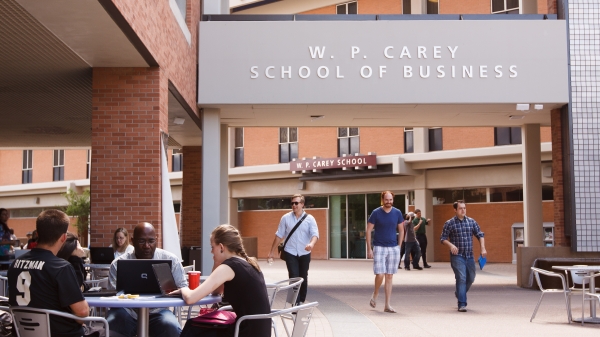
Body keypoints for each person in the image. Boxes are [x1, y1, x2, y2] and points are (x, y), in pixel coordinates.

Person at [174, 224, 271, 337]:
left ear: (221, 247)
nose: (211, 252)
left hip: (245, 332)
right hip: (257, 331)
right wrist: (217, 261)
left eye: (212, 247)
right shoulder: (247, 263)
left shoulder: (229, 267)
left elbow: (191, 298)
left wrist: (183, 289)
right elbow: (216, 291)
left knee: (193, 327)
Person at [7, 209, 91, 337]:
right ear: (63, 237)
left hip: (22, 333)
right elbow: (82, 313)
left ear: (38, 233)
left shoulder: (15, 264)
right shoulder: (60, 267)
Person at [107, 222, 187, 337]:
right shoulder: (118, 264)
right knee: (113, 324)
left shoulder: (170, 260)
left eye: (151, 241)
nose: (146, 246)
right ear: (133, 241)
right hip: (127, 312)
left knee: (170, 326)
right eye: (141, 241)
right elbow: (113, 295)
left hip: (159, 311)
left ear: (156, 239)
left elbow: (183, 287)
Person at [267, 194, 319, 305]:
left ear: (302, 204)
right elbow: (279, 235)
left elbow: (315, 234)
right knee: (293, 276)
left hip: (305, 252)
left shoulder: (310, 219)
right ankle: (295, 302)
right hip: (290, 252)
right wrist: (271, 251)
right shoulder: (285, 218)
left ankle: (301, 300)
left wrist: (311, 244)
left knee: (303, 276)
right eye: (292, 203)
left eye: (296, 203)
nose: (294, 205)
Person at [440, 200, 487, 312]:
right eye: (460, 208)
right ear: (455, 210)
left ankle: (459, 293)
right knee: (461, 277)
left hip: (469, 255)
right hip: (457, 256)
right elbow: (443, 239)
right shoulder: (449, 223)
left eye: (464, 208)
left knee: (471, 277)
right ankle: (462, 304)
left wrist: (483, 248)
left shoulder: (471, 222)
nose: (463, 210)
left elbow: (480, 235)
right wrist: (451, 245)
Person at [366, 191, 404, 313]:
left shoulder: (397, 212)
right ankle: (375, 293)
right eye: (386, 200)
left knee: (389, 276)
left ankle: (387, 305)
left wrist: (399, 246)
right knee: (380, 274)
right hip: (379, 247)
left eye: (391, 200)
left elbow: (402, 230)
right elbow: (368, 230)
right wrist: (369, 248)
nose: (389, 202)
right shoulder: (376, 212)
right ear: (382, 199)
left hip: (393, 248)